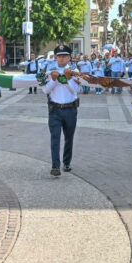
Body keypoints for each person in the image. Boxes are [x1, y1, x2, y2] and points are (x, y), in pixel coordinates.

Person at [43, 44, 81, 176]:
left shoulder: (75, 72)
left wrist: (69, 79)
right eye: (59, 56)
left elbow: (77, 90)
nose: (62, 59)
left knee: (69, 137)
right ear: (56, 57)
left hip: (70, 109)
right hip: (55, 109)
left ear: (70, 58)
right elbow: (45, 90)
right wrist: (53, 80)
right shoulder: (49, 72)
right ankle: (55, 166)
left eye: (65, 56)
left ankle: (67, 162)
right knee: (55, 137)